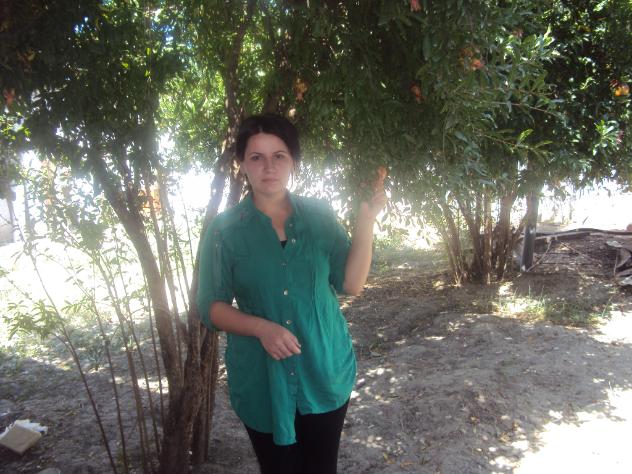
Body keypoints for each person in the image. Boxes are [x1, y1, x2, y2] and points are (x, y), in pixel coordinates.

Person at [197, 114, 386, 474]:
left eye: (279, 156)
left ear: (293, 162)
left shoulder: (319, 215)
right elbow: (210, 306)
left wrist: (366, 220)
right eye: (256, 157)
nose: (268, 167)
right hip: (262, 381)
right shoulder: (224, 231)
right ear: (242, 164)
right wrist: (261, 328)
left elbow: (351, 283)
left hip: (323, 369)